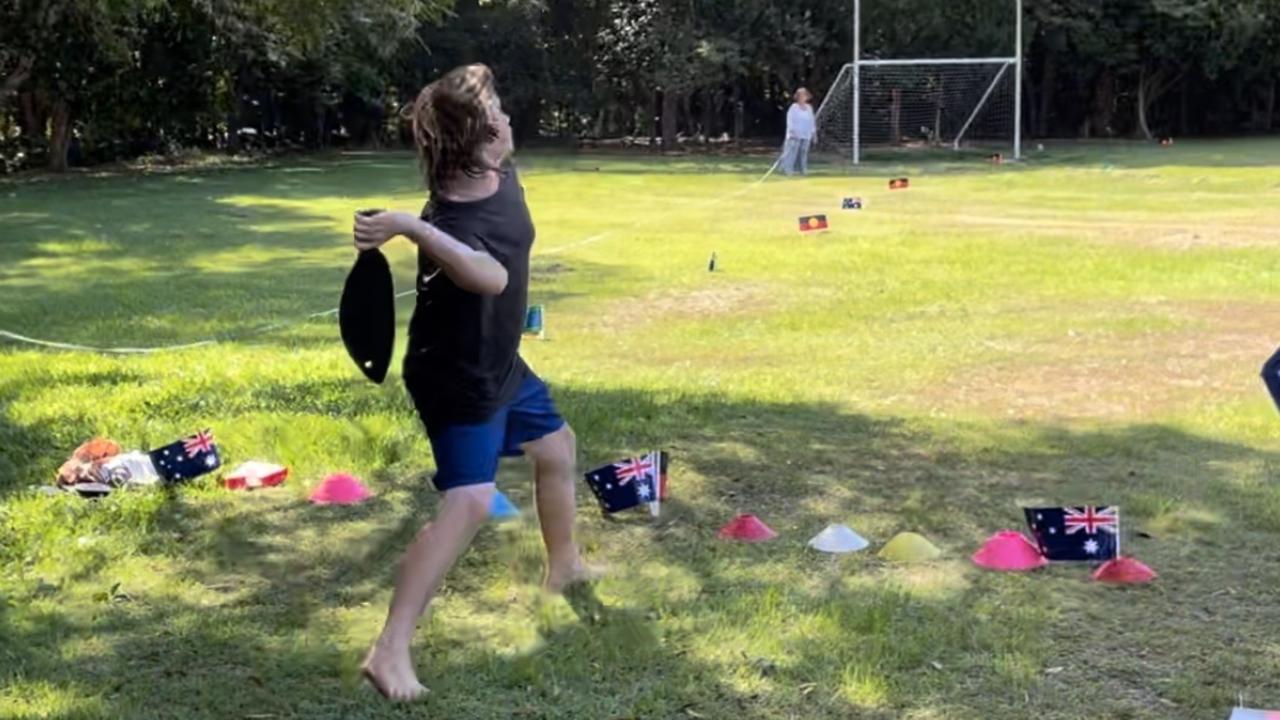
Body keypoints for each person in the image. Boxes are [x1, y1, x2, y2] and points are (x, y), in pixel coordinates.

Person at [351, 63, 592, 702]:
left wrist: (463, 93)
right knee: (470, 502)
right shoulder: (450, 221)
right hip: (455, 374)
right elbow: (490, 278)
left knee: (556, 447)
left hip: (499, 361)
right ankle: (388, 650)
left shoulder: (496, 170)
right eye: (497, 120)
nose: (511, 122)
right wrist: (409, 226)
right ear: (476, 144)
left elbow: (469, 88)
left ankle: (564, 568)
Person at [781, 88, 816, 176]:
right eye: (800, 96)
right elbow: (790, 120)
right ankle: (788, 169)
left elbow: (812, 121)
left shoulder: (809, 108)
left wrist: (813, 133)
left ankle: (803, 170)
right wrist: (792, 131)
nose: (802, 97)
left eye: (804, 95)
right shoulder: (793, 107)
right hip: (794, 135)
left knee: (803, 153)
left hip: (806, 134)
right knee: (792, 153)